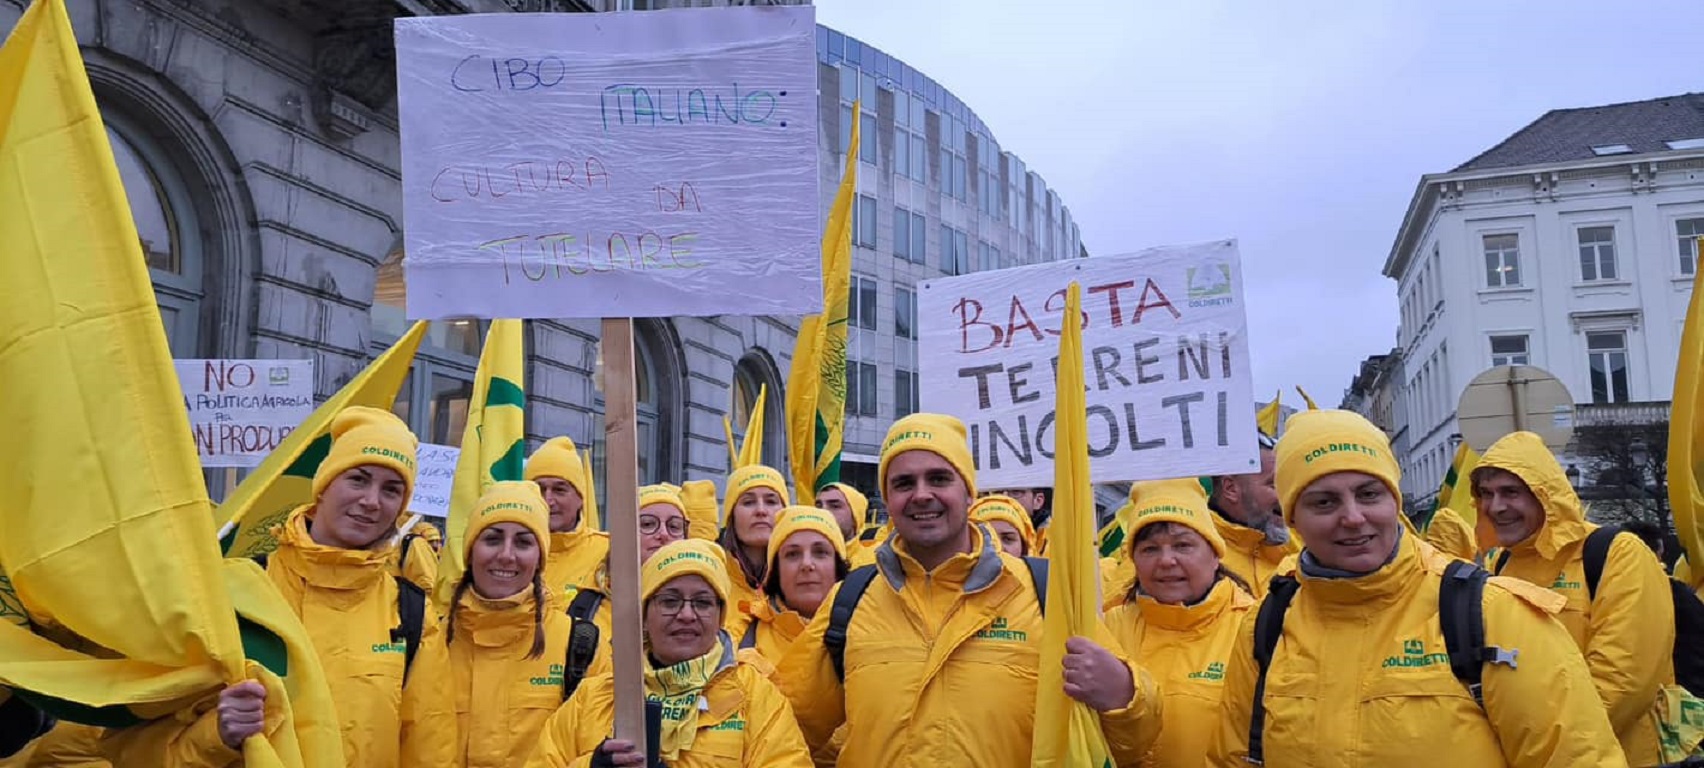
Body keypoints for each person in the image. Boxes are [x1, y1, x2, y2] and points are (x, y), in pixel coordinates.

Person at [1209, 410, 1628, 767]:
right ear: (1291, 517)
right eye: (1324, 502)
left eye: (1369, 493)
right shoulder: (1267, 624)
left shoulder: (1490, 614)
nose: (1353, 517)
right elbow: (1232, 756)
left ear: (1394, 501)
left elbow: (1577, 755)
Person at [777, 413, 1162, 768]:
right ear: (888, 501)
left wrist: (1124, 695)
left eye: (939, 479)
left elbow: (1137, 742)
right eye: (904, 483)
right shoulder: (852, 600)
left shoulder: (1044, 594)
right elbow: (782, 731)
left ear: (969, 493)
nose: (921, 494)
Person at [263, 406, 454, 767]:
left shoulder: (411, 613)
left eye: (391, 490)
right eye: (358, 479)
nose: (371, 501)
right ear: (323, 486)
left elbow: (429, 747)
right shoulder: (249, 588)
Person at [1474, 431, 1675, 766]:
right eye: (1485, 494)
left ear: (1545, 495)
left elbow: (1623, 683)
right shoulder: (1500, 565)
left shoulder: (1617, 553)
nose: (1495, 507)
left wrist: (1542, 750)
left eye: (1510, 492)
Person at [526, 539, 813, 767]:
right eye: (670, 600)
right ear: (646, 614)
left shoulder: (757, 700)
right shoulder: (592, 698)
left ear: (720, 616)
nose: (686, 615)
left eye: (702, 603)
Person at [1104, 478, 1255, 767]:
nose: (1166, 561)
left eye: (1183, 546)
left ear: (1215, 554)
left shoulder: (1252, 627)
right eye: (1150, 549)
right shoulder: (1109, 627)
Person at [443, 481, 576, 768]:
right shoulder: (427, 636)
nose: (506, 554)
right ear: (470, 550)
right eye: (492, 538)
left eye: (524, 542)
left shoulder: (578, 646)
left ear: (540, 557)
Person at [730, 506, 849, 663]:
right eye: (793, 554)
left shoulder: (866, 629)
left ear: (837, 564)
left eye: (820, 552)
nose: (807, 564)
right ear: (776, 569)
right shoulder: (741, 639)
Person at [1206, 435, 1298, 598]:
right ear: (1231, 489)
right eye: (1275, 484)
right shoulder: (1195, 555)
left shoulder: (1304, 540)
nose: (1289, 495)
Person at [526, 437, 610, 603]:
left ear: (580, 498)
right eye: (539, 489)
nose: (548, 500)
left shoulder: (608, 553)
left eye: (559, 490)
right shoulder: (508, 551)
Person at [717, 465, 790, 617]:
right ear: (732, 515)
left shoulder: (802, 579)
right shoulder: (712, 578)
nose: (761, 511)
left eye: (771, 502)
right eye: (748, 502)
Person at [814, 482, 875, 568]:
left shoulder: (875, 560)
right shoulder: (804, 559)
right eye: (818, 506)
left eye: (835, 506)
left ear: (855, 518)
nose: (823, 512)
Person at [969, 494, 1036, 558]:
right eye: (986, 539)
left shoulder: (1043, 569)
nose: (998, 547)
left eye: (1007, 539)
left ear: (1024, 548)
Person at [991, 487, 1049, 554]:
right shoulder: (978, 528)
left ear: (1038, 501)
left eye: (1016, 492)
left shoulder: (1055, 541)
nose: (1004, 498)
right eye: (998, 492)